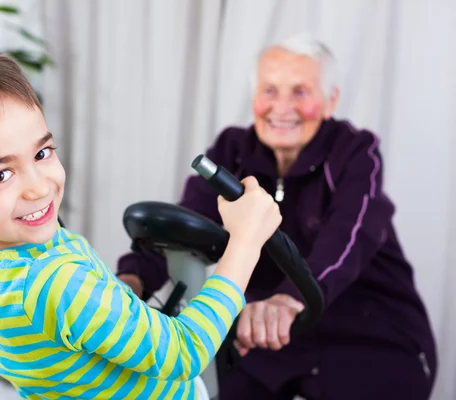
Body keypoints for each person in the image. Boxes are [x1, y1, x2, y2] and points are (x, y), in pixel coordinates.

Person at [0, 48, 283, 400]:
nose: (38, 188)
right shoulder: (54, 283)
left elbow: (55, 325)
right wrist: (246, 241)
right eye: (1, 175)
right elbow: (182, 352)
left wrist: (112, 301)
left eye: (42, 153)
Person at [117, 32, 437, 399]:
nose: (281, 107)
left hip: (369, 329)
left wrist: (289, 299)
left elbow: (348, 238)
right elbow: (183, 227)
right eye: (269, 90)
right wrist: (130, 281)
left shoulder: (355, 150)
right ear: (254, 99)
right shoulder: (232, 150)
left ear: (329, 100)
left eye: (300, 92)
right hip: (276, 337)